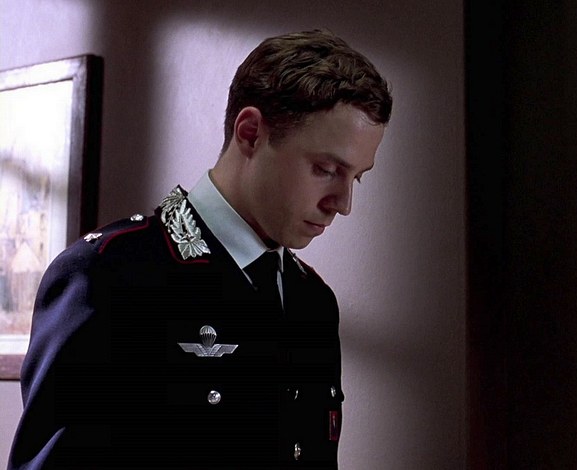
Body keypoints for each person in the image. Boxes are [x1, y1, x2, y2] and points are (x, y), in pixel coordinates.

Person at [8, 29, 392, 469]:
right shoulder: (108, 274)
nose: (343, 203)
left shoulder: (314, 301)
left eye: (356, 177)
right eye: (326, 169)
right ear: (250, 133)